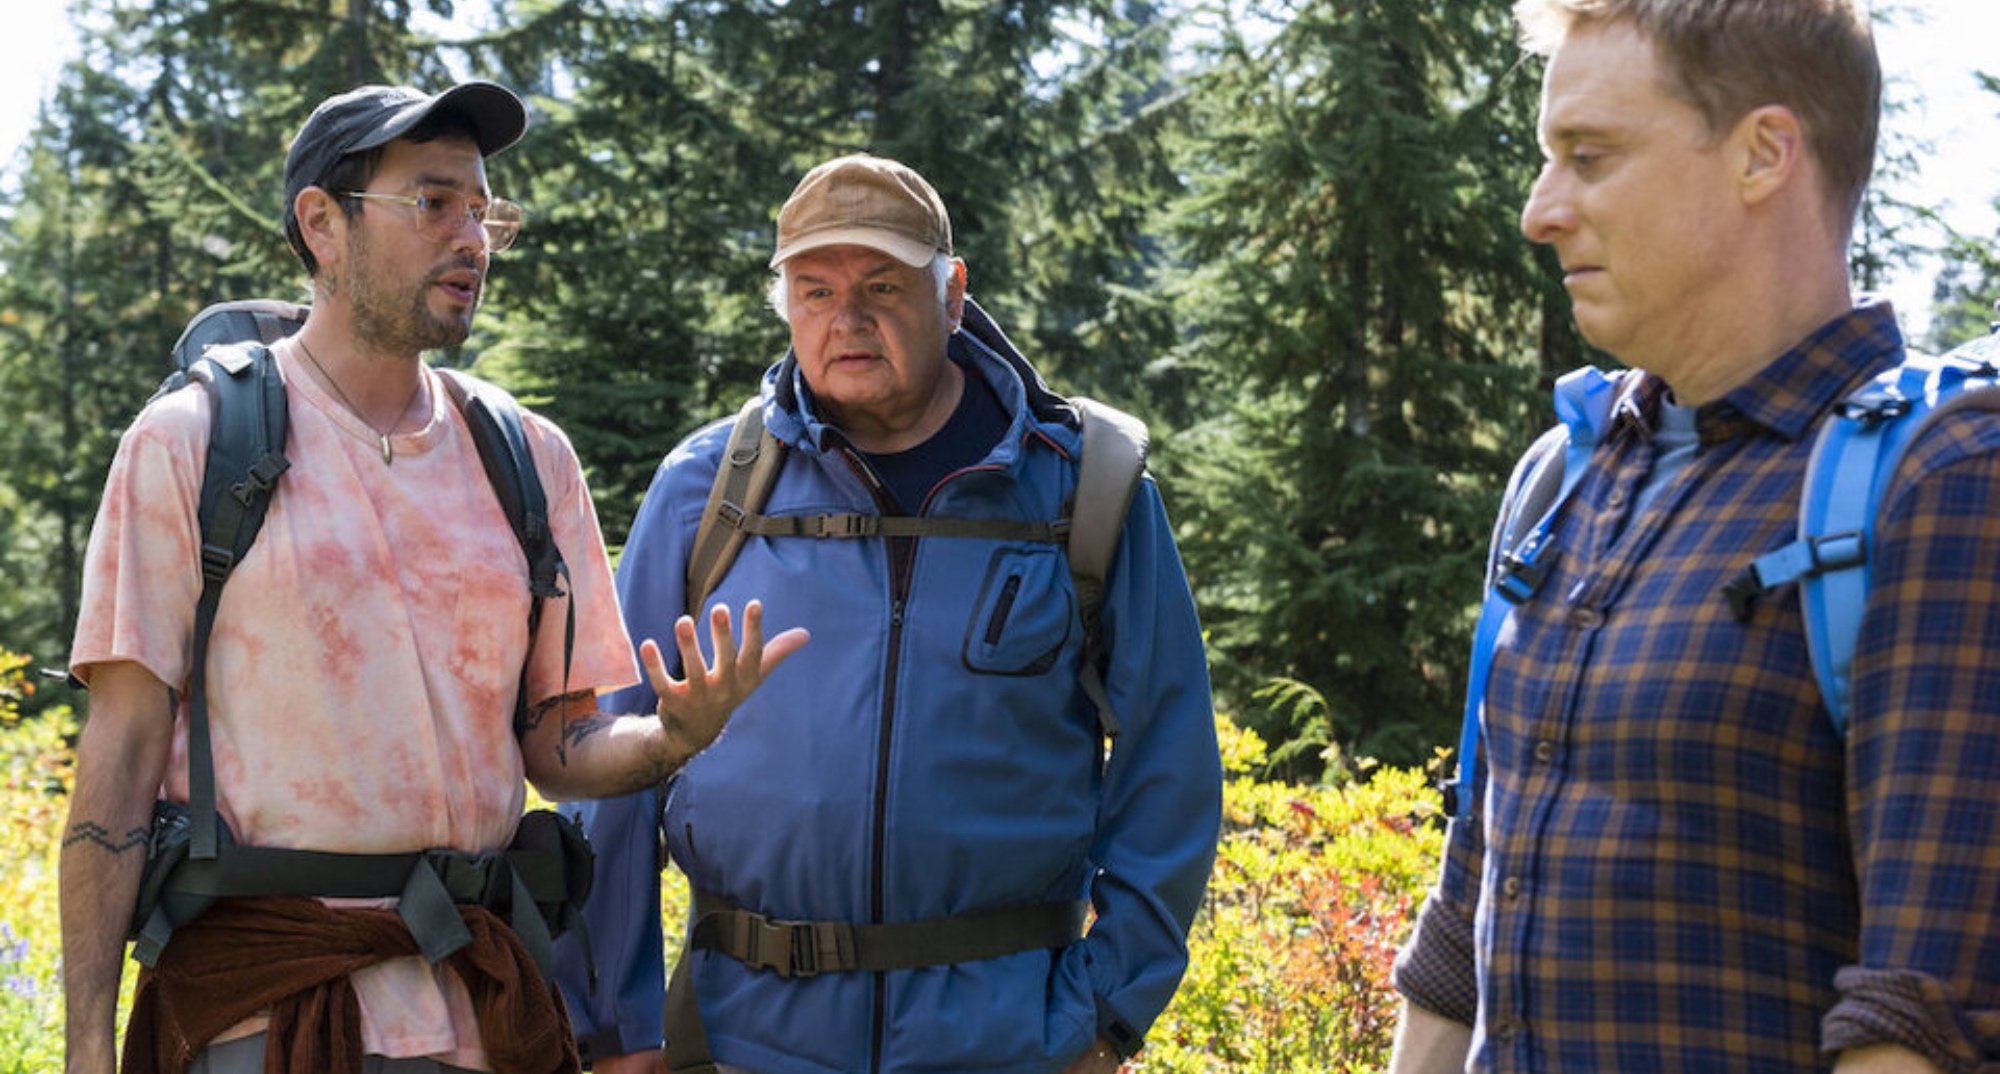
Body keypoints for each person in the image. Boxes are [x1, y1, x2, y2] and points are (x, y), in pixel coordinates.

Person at [59, 81, 805, 1074]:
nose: (473, 238)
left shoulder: (526, 458)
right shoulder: (194, 444)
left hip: (481, 1013)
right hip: (259, 1014)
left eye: (483, 208)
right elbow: (120, 753)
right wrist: (84, 1047)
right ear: (321, 225)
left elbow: (557, 741)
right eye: (433, 202)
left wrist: (671, 736)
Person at [1389, 2, 2000, 1072]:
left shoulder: (1939, 487)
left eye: (1589, 157)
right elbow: (1460, 928)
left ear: (1762, 153)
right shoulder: (1556, 477)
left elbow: (1921, 1022)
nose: (1540, 210)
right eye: (1546, 160)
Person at [552, 154, 1222, 1074]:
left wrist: (1107, 1014)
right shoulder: (706, 493)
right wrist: (615, 1028)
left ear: (951, 296)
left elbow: (1169, 764)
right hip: (746, 1036)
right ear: (784, 304)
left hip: (1010, 1040)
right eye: (815, 290)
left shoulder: (1086, 489)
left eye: (881, 286)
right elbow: (615, 768)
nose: (848, 320)